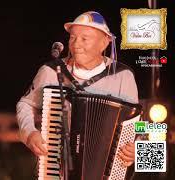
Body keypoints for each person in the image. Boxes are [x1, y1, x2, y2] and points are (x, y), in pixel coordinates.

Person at [16, 11, 138, 170]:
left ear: (104, 43)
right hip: (56, 166)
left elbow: (138, 124)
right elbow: (25, 104)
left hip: (107, 170)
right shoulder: (52, 71)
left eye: (84, 39)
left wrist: (137, 150)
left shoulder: (123, 76)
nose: (76, 44)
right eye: (72, 38)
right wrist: (29, 133)